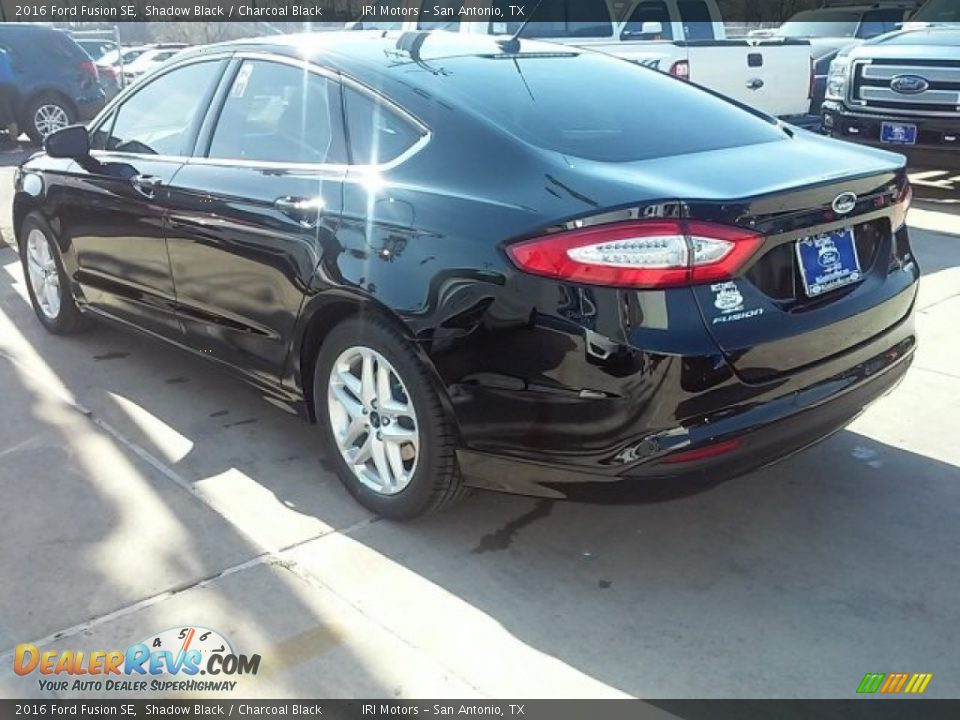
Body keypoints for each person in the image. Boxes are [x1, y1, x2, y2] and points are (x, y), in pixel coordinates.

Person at [0, 46, 20, 152]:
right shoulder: (4, 53)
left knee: (8, 116)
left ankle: (15, 145)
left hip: (1, 87)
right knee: (9, 114)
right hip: (12, 86)